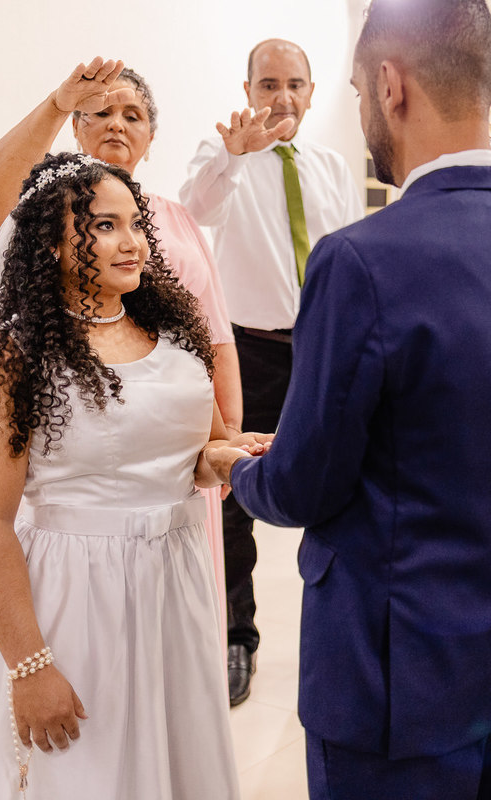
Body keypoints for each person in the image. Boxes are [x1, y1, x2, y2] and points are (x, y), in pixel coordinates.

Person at [203, 0, 491, 796]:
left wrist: (236, 466)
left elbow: (307, 481)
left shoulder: (359, 260)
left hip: (384, 669)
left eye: (355, 91)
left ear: (390, 85)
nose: (361, 114)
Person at [0, 153, 268, 798]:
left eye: (135, 223)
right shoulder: (10, 358)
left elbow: (181, 457)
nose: (132, 241)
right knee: (89, 771)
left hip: (175, 582)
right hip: (76, 592)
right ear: (53, 244)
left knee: (178, 761)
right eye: (104, 225)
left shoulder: (172, 330)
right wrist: (30, 667)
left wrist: (224, 456)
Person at [0, 57, 242, 644]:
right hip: (80, 564)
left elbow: (212, 325)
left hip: (175, 507)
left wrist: (222, 440)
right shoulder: (40, 223)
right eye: (102, 227)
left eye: (133, 114)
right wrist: (58, 99)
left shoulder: (174, 238)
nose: (131, 247)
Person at [179, 38, 362, 706]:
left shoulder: (334, 166)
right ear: (248, 89)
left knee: (344, 483)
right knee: (234, 497)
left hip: (324, 348)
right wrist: (234, 154)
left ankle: (347, 631)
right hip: (249, 350)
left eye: (295, 84)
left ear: (313, 92)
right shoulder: (221, 158)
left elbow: (347, 253)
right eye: (268, 84)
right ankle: (237, 637)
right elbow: (190, 211)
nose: (281, 97)